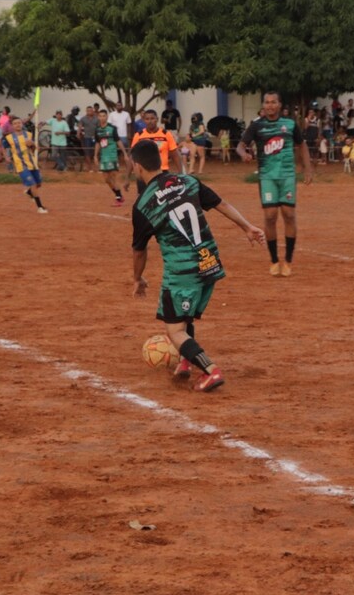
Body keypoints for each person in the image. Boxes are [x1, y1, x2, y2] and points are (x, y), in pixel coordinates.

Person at [130, 140, 266, 393]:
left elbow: (139, 250)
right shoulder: (187, 181)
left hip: (183, 270)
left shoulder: (143, 204)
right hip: (209, 260)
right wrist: (247, 226)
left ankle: (211, 370)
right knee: (187, 312)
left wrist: (138, 278)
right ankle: (185, 362)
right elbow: (221, 204)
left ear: (137, 166)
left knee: (174, 330)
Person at [237, 91, 315, 277]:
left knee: (288, 214)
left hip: (287, 175)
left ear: (280, 105)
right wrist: (244, 154)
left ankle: (287, 260)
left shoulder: (289, 125)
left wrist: (307, 168)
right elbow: (240, 145)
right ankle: (273, 260)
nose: (270, 105)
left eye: (274, 102)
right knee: (270, 216)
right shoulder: (257, 126)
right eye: (267, 102)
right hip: (267, 177)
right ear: (263, 105)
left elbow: (301, 145)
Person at [1, 115, 47, 214]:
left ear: (22, 124)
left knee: (38, 183)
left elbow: (34, 150)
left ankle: (29, 192)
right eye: (15, 123)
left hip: (32, 163)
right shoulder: (9, 138)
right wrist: (6, 157)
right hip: (21, 164)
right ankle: (40, 207)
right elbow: (3, 147)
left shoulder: (28, 135)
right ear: (12, 126)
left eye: (19, 123)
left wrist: (32, 144)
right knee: (33, 184)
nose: (17, 125)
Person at [130, 109, 182, 191]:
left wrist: (180, 173)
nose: (150, 121)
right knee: (143, 199)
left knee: (163, 198)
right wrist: (127, 177)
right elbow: (133, 157)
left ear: (157, 119)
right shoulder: (138, 135)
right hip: (144, 173)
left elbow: (174, 155)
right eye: (147, 119)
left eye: (152, 118)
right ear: (143, 120)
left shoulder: (166, 134)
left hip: (162, 172)